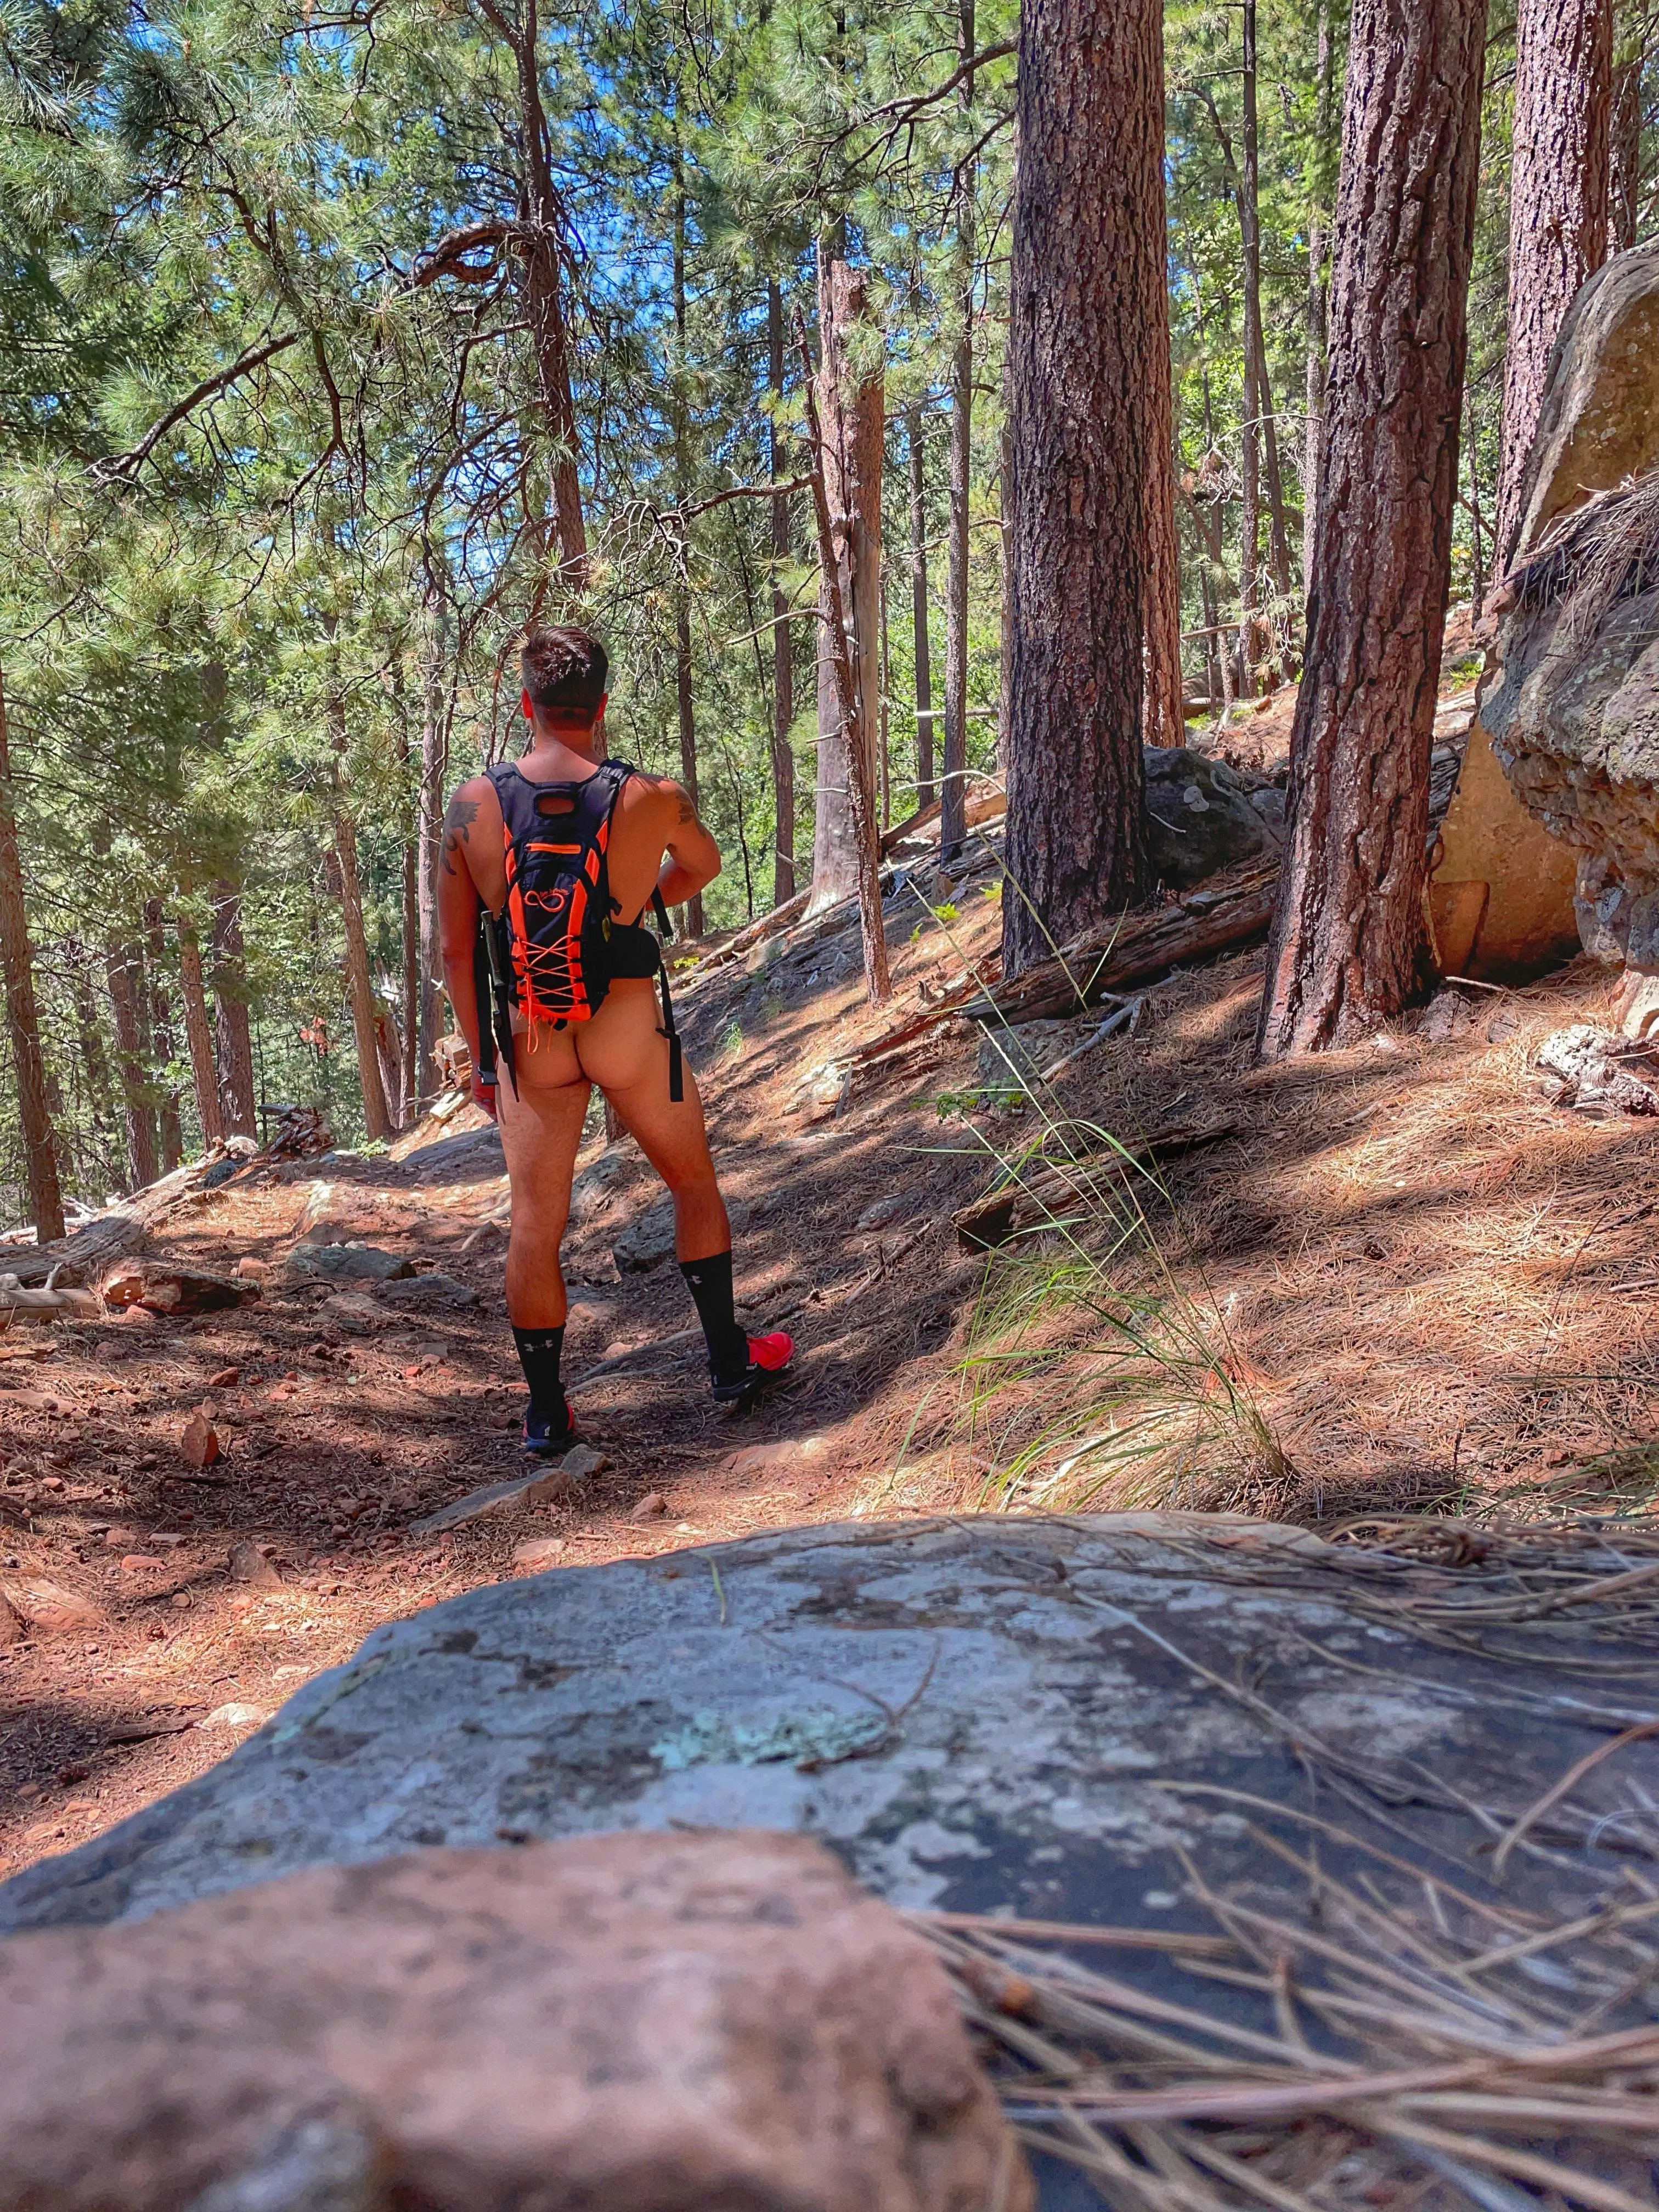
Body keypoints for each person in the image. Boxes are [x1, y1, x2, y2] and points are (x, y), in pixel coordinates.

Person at [436, 623, 793, 1456]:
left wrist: (479, 1058)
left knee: (536, 1222)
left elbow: (456, 949)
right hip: (630, 1024)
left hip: (533, 1036)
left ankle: (548, 1413)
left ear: (526, 704)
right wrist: (630, 906)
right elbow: (699, 868)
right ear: (600, 708)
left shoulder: (471, 805)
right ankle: (729, 1362)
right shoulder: (655, 797)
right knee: (693, 1182)